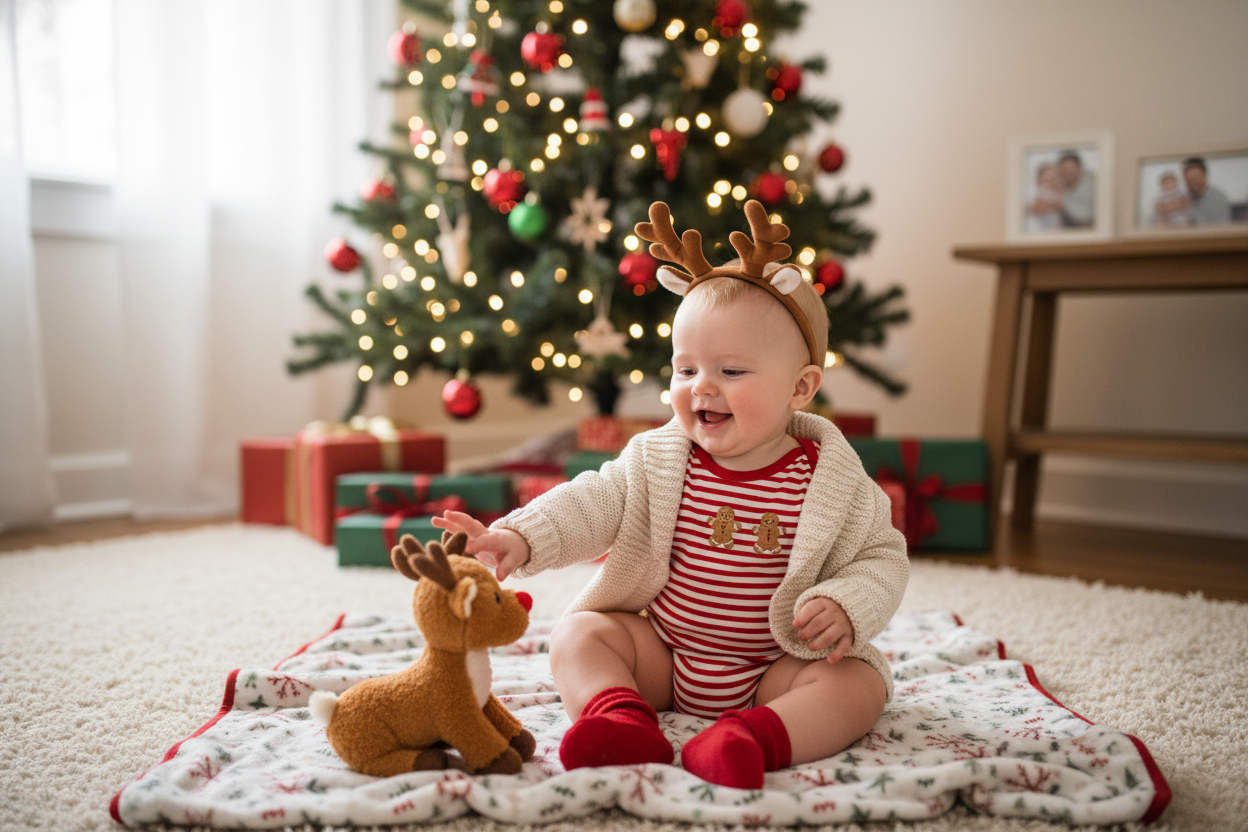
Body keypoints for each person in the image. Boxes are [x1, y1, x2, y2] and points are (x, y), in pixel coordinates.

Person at [434, 201, 909, 790]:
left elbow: (882, 558)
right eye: (685, 371)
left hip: (776, 668)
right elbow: (593, 500)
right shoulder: (660, 459)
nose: (701, 388)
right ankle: (620, 717)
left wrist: (847, 604)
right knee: (578, 635)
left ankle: (753, 739)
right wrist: (520, 536)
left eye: (731, 371)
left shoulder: (833, 481)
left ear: (801, 387)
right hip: (663, 654)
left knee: (857, 688)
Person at [1182, 157, 1233, 226]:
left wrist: (1190, 209)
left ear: (1205, 176)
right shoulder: (1181, 196)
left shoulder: (1218, 197)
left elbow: (1218, 229)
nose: (1193, 182)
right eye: (1189, 179)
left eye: (1196, 178)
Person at [1057, 150, 1095, 228]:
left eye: (1071, 168)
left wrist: (1063, 206)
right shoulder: (1058, 186)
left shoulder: (1093, 183)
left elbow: (1088, 217)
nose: (1068, 172)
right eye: (1064, 170)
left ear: (1079, 168)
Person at [1025, 162, 1064, 232]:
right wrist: (1052, 205)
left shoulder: (1057, 192)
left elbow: (1060, 206)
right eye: (1049, 178)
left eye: (1055, 178)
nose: (1053, 181)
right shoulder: (1039, 192)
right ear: (1040, 180)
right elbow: (1037, 208)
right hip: (1039, 229)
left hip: (1054, 229)